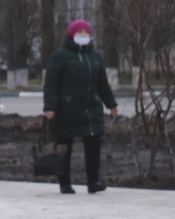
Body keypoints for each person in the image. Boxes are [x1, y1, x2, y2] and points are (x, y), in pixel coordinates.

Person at [42, 17, 118, 194]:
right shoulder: (60, 56)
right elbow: (51, 84)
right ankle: (65, 183)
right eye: (80, 32)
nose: (84, 35)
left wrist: (111, 103)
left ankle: (93, 182)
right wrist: (50, 107)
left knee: (93, 146)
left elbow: (102, 84)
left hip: (91, 108)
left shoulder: (94, 56)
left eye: (86, 32)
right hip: (66, 109)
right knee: (64, 147)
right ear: (72, 35)